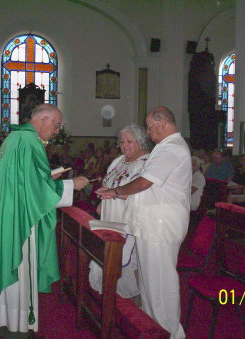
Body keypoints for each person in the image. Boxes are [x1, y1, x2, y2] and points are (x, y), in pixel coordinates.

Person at [0, 104, 88, 333]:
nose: (57, 130)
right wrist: (73, 184)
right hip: (19, 218)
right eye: (56, 124)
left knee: (6, 262)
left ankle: (6, 318)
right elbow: (35, 190)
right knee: (20, 267)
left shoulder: (16, 138)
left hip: (9, 212)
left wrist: (49, 175)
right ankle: (17, 325)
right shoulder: (29, 141)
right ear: (43, 118)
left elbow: (22, 180)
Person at [96, 106, 191, 339]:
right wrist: (117, 193)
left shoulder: (172, 149)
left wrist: (117, 192)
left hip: (160, 225)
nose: (148, 133)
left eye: (150, 127)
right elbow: (144, 189)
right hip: (150, 224)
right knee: (149, 285)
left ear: (163, 124)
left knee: (160, 283)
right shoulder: (164, 148)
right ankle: (154, 329)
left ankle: (171, 333)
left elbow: (144, 183)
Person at [89, 123, 149, 302]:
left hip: (128, 218)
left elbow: (144, 194)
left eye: (129, 141)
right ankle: (112, 298)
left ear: (140, 141)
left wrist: (115, 195)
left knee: (129, 261)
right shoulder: (118, 160)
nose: (125, 145)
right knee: (108, 255)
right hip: (109, 216)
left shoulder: (146, 163)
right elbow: (108, 183)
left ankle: (134, 303)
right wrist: (102, 200)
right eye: (122, 142)